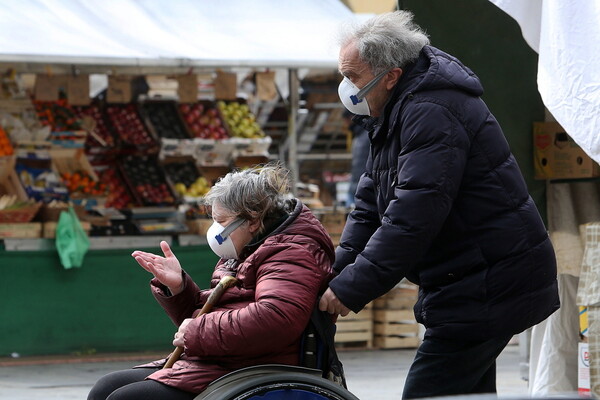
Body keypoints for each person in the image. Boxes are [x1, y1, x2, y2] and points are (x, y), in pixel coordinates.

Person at [318, 10, 560, 399]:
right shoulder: (394, 110)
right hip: (466, 282)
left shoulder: (431, 111)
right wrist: (335, 274)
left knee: (427, 392)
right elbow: (369, 204)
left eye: (353, 77)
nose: (345, 87)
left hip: (488, 283)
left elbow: (411, 217)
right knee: (466, 394)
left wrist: (349, 289)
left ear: (391, 75)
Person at [88, 163, 335, 400]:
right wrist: (179, 288)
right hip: (224, 360)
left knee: (126, 398)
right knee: (105, 388)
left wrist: (195, 331)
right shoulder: (245, 248)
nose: (216, 231)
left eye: (223, 222)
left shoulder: (291, 252)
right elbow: (216, 312)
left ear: (253, 220)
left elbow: (275, 318)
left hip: (254, 366)